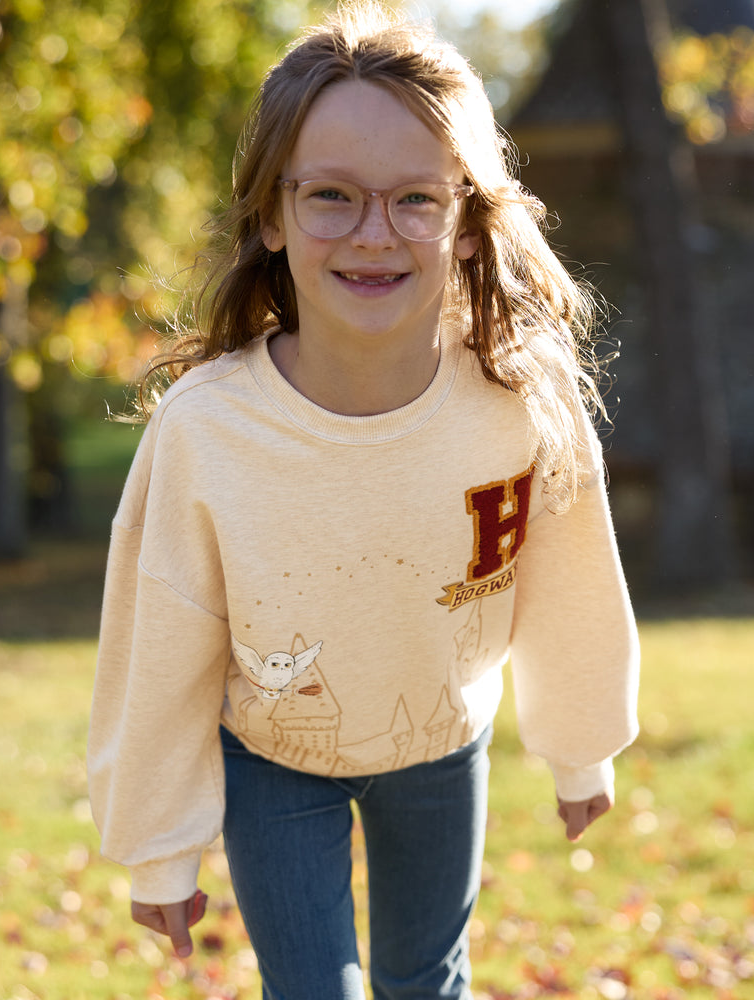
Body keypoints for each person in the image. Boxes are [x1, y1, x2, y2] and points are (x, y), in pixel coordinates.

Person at [88, 3, 639, 998]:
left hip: (440, 746)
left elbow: (570, 582)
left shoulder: (519, 399)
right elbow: (160, 635)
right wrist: (159, 847)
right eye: (331, 195)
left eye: (415, 200)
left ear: (470, 221)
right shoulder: (209, 431)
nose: (373, 234)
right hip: (273, 758)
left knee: (425, 980)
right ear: (269, 213)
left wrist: (578, 747)